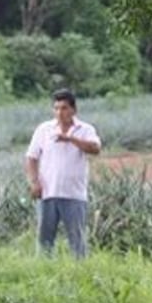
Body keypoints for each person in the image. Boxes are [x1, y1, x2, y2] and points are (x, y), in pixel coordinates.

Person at [24, 88, 102, 258]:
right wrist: (33, 182)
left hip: (74, 194)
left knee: (77, 240)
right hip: (48, 192)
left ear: (73, 110)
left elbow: (95, 148)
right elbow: (31, 157)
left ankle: (81, 273)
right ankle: (43, 272)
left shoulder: (85, 129)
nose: (60, 112)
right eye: (56, 108)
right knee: (45, 239)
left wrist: (70, 139)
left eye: (64, 108)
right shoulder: (44, 129)